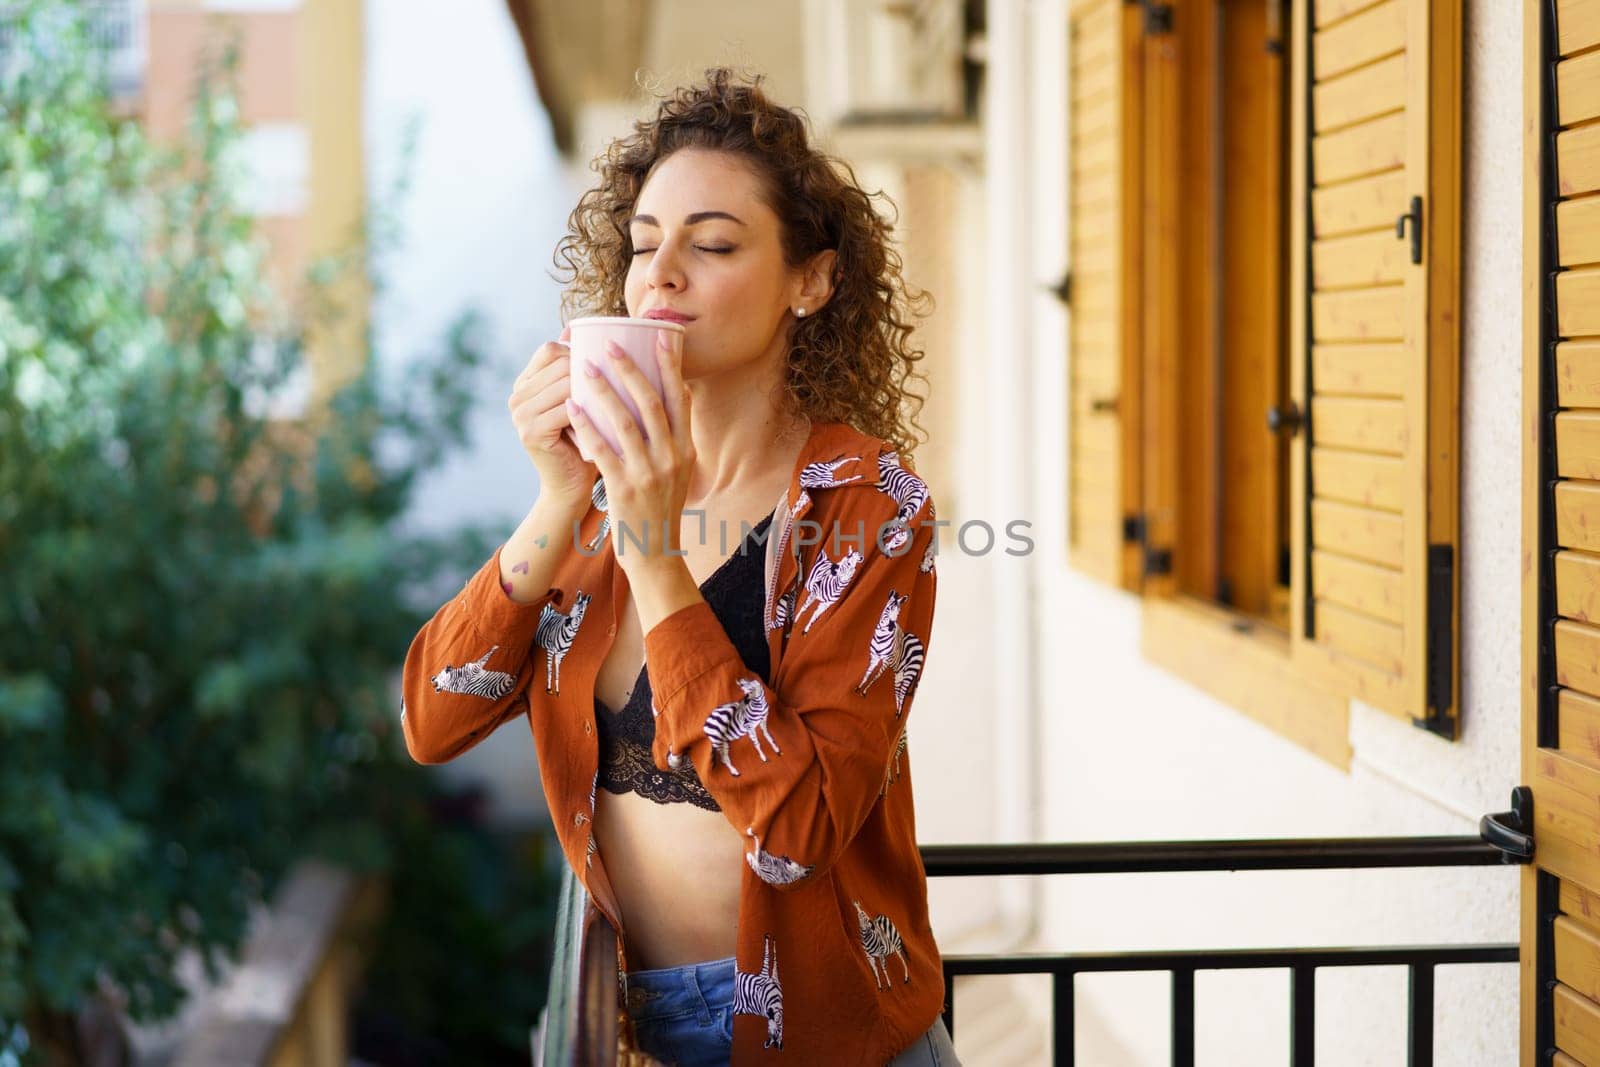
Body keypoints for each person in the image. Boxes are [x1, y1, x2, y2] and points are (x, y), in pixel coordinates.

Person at [400, 67, 958, 1066]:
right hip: (635, 1026)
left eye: (711, 244)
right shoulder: (595, 496)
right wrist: (561, 497)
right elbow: (432, 720)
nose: (661, 273)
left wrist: (655, 558)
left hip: (830, 1038)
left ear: (812, 280)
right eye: (645, 243)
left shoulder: (866, 505)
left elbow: (798, 831)